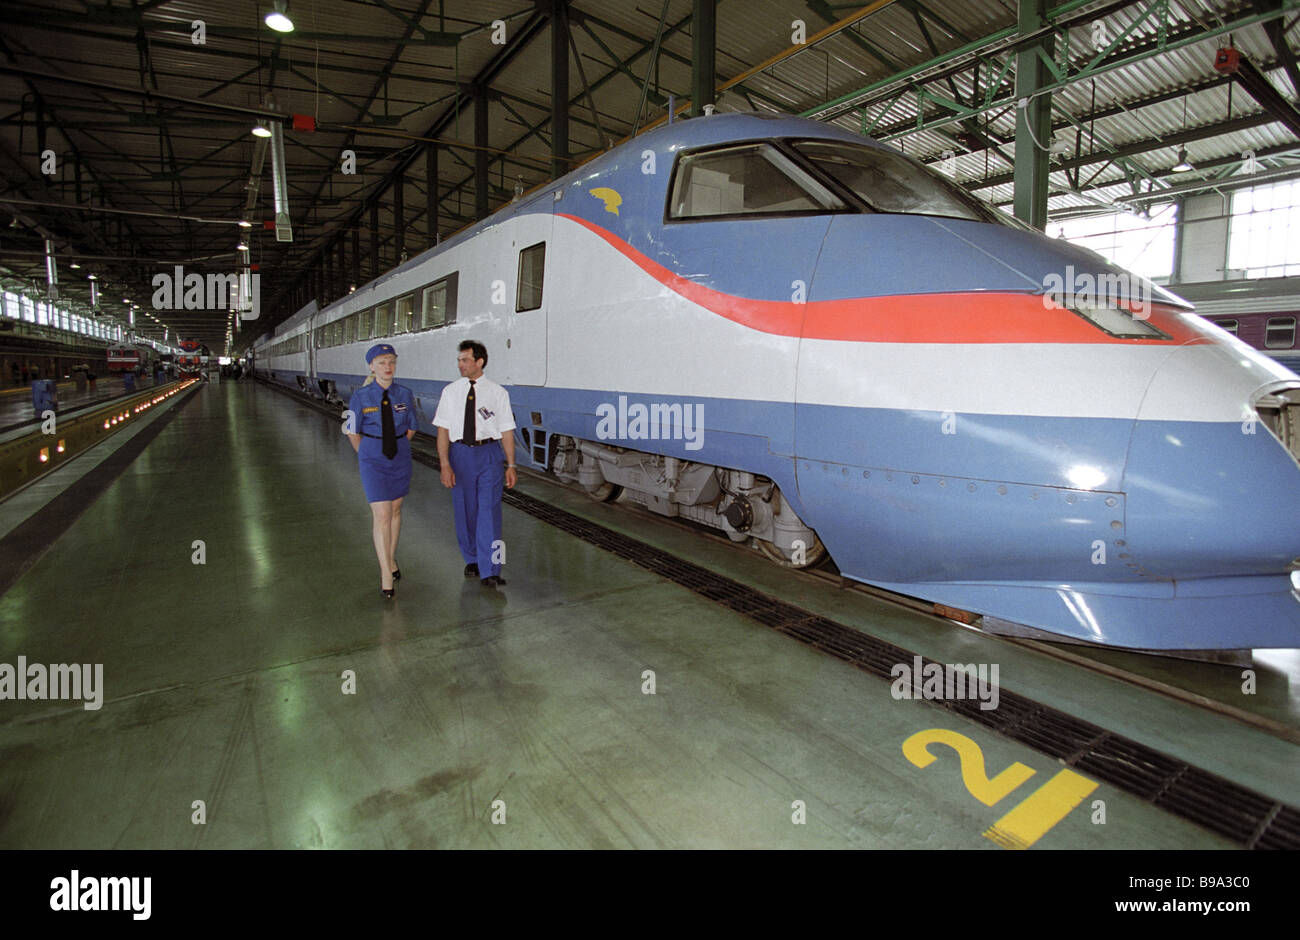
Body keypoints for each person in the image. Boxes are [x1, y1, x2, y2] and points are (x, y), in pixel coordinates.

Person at [433, 340, 517, 588]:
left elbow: (507, 431)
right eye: (459, 360)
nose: (460, 364)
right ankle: (471, 558)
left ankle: (491, 568)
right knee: (465, 510)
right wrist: (445, 464)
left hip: (489, 454)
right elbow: (442, 431)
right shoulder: (451, 392)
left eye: (465, 360)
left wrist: (511, 464)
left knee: (490, 512)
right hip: (460, 455)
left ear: (479, 362)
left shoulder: (498, 393)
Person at [346, 343, 417, 598]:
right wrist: (367, 453)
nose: (387, 367)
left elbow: (411, 427)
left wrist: (396, 445)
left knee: (396, 509)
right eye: (382, 363)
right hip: (372, 458)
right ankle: (385, 572)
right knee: (382, 513)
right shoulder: (360, 397)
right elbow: (352, 431)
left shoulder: (405, 394)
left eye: (391, 362)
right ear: (371, 367)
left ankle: (390, 558)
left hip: (399, 455)